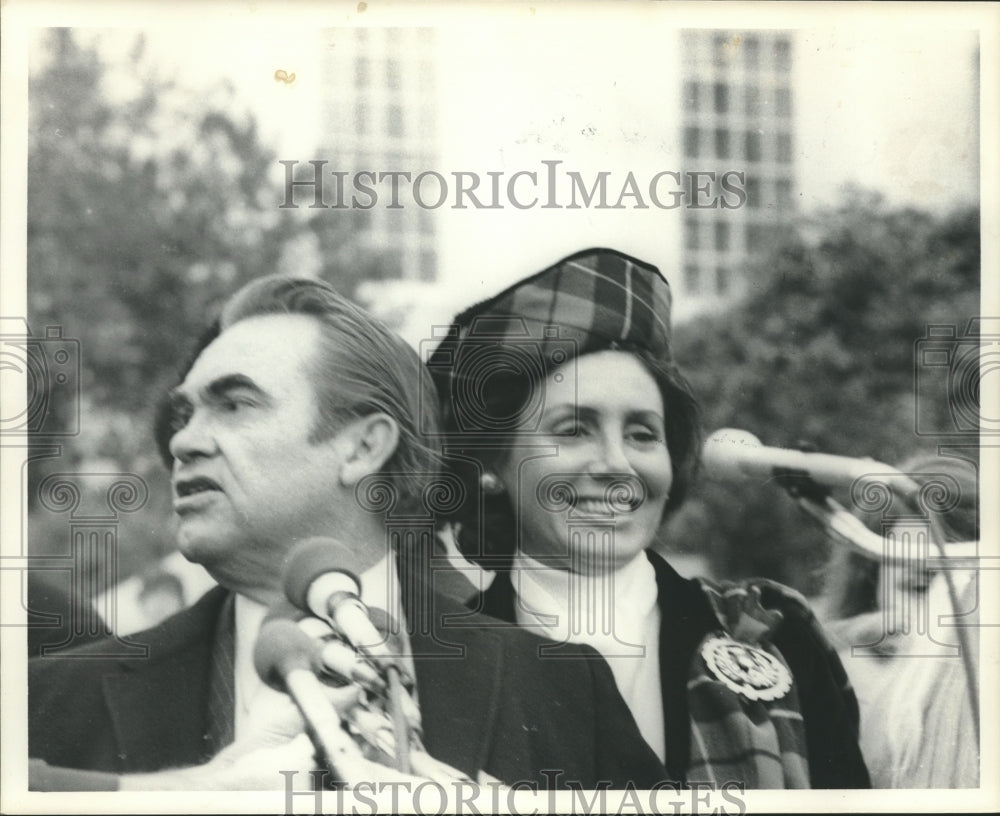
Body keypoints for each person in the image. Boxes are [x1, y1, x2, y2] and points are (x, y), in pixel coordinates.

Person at [28, 274, 668, 791]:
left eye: (235, 403)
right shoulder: (51, 701)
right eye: (184, 414)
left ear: (364, 445)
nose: (184, 442)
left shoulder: (562, 688)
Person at [427, 247, 871, 789]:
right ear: (494, 464)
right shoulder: (443, 661)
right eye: (573, 430)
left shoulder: (775, 629)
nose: (616, 463)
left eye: (642, 434)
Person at [821, 453, 980, 788]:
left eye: (967, 597)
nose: (941, 618)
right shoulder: (840, 678)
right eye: (920, 586)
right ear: (870, 579)